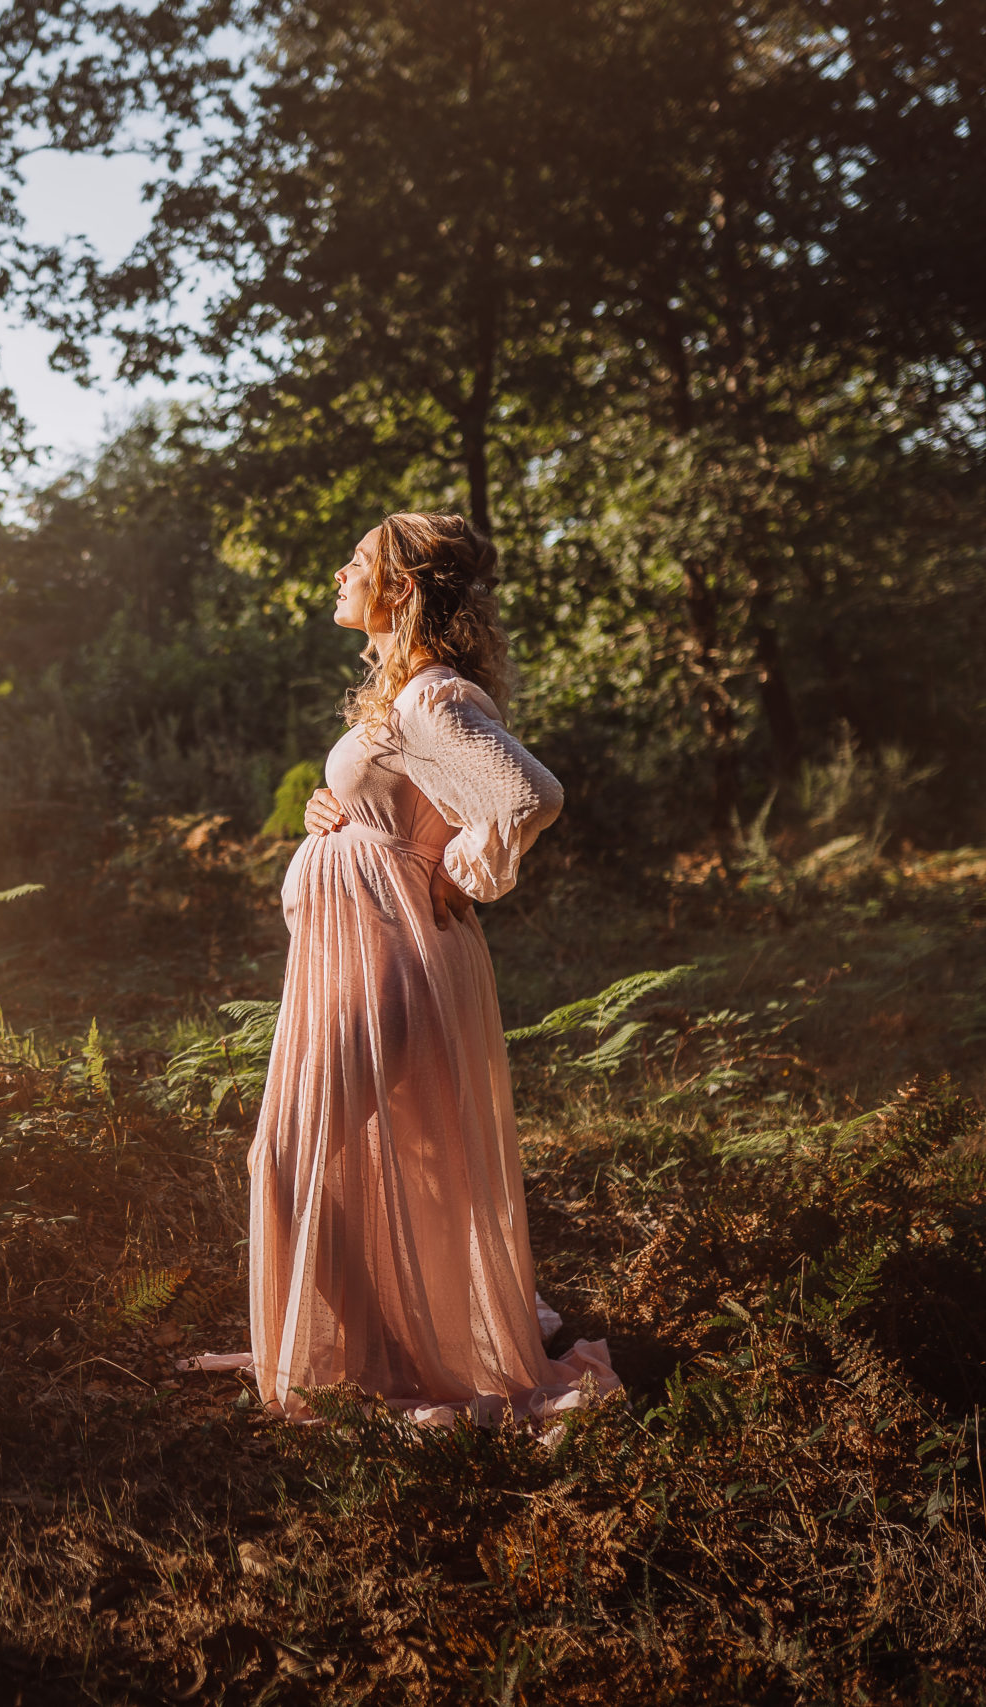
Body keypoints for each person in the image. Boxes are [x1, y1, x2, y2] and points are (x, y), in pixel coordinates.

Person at [193, 512, 618, 1427]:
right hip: (365, 951)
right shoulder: (409, 700)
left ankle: (364, 1371)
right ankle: (375, 1352)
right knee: (368, 1160)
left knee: (288, 1153)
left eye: (358, 562)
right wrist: (335, 809)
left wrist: (457, 874)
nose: (339, 573)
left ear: (403, 587)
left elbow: (528, 795)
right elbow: (418, 803)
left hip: (392, 955)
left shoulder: (433, 695)